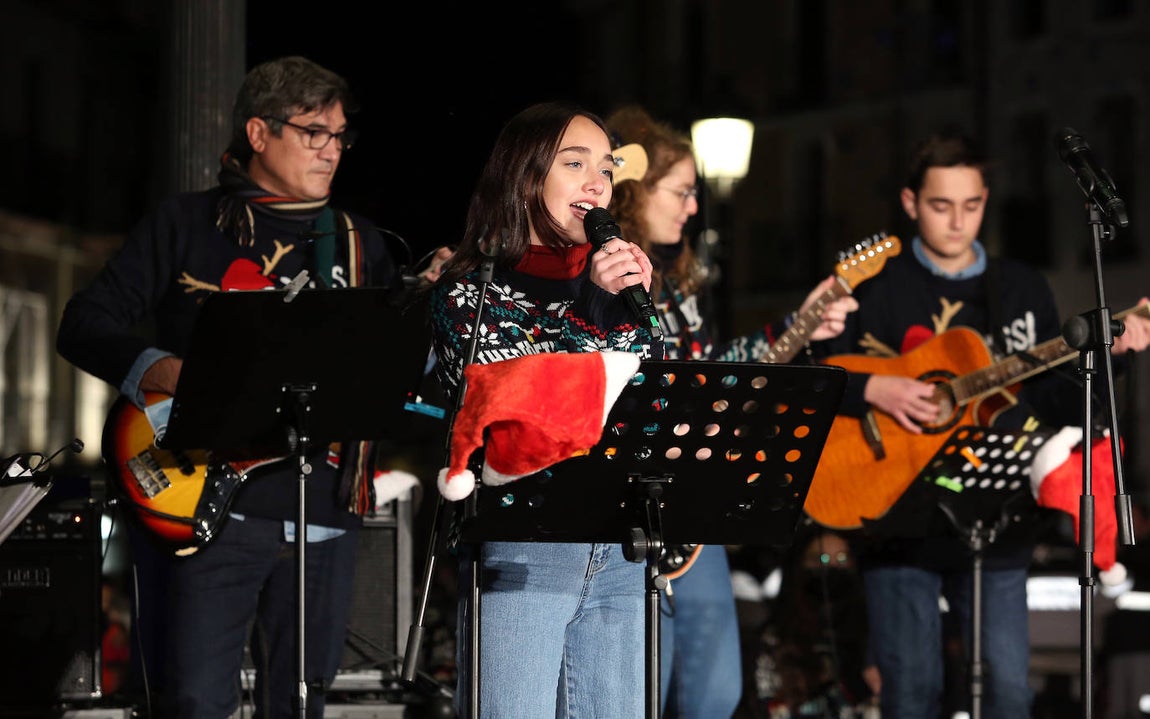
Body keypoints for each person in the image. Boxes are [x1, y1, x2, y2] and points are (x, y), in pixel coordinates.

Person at [56, 56, 418, 718]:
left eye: (339, 136)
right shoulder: (186, 224)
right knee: (192, 700)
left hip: (323, 512)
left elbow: (394, 367)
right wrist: (157, 368)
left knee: (300, 701)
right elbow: (82, 322)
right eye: (314, 132)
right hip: (207, 504)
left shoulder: (362, 243)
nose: (331, 150)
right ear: (259, 132)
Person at [812, 128, 1150, 719]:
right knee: (911, 693)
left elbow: (1054, 402)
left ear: (986, 201)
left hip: (998, 517)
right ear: (911, 203)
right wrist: (876, 387)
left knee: (1008, 692)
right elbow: (817, 380)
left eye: (971, 206)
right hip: (896, 515)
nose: (957, 222)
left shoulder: (1019, 288)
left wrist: (1107, 358)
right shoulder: (878, 287)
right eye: (941, 206)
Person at [603, 105, 858, 719]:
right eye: (683, 192)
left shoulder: (686, 285)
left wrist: (802, 325)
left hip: (694, 505)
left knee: (717, 690)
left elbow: (718, 368)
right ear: (635, 190)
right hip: (626, 504)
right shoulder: (607, 277)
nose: (694, 207)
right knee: (641, 687)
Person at [427, 101, 664, 718]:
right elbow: (521, 400)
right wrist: (593, 304)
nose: (596, 183)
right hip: (522, 547)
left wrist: (623, 309)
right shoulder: (470, 290)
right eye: (574, 163)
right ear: (524, 176)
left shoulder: (615, 288)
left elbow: (644, 403)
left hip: (620, 549)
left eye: (606, 169)